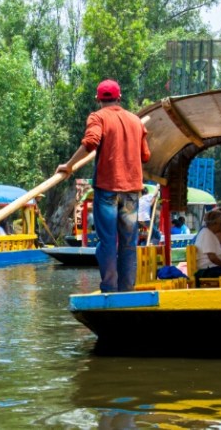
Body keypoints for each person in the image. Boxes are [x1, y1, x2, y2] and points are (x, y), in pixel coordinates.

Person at [56, 79, 151, 293]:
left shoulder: (98, 117)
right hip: (131, 191)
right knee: (128, 243)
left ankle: (109, 288)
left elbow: (91, 142)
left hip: (108, 188)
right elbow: (146, 155)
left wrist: (69, 166)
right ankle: (126, 290)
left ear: (98, 100)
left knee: (107, 242)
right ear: (119, 98)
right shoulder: (136, 121)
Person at [193, 209, 221, 287]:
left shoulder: (210, 233)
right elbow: (212, 258)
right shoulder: (206, 233)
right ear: (215, 223)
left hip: (212, 268)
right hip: (207, 270)